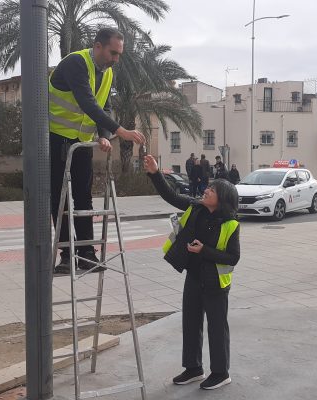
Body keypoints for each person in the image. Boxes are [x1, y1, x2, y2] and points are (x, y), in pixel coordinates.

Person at [49, 27, 145, 274]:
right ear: (98, 46)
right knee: (59, 200)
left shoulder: (108, 72)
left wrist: (103, 135)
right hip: (56, 138)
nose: (115, 59)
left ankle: (87, 254)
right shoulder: (76, 63)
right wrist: (120, 131)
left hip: (81, 141)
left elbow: (105, 106)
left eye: (119, 54)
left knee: (83, 198)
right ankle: (66, 255)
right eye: (113, 52)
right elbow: (87, 101)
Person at [143, 154, 240, 390]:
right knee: (190, 322)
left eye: (212, 190)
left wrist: (204, 250)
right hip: (194, 277)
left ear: (222, 199)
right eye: (208, 187)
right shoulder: (196, 208)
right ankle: (193, 368)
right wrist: (156, 173)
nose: (206, 190)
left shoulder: (230, 224)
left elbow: (233, 257)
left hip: (216, 284)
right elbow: (171, 195)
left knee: (217, 328)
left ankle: (220, 372)